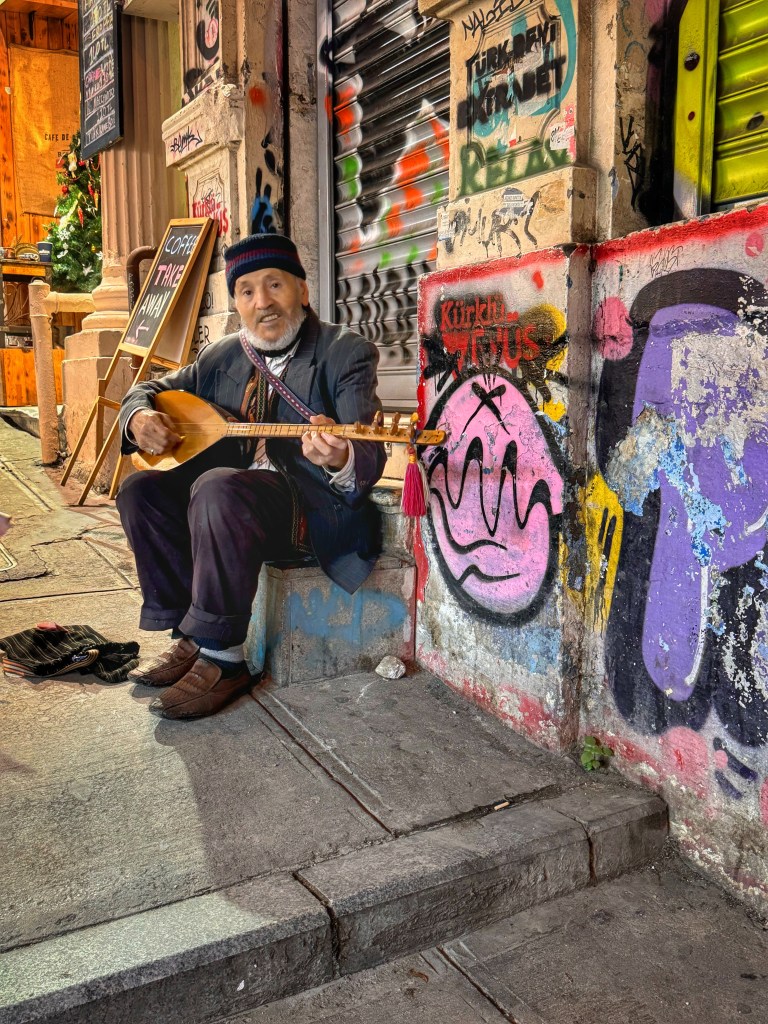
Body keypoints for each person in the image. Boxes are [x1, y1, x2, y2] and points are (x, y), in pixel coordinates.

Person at [116, 233, 386, 720]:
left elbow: (367, 450)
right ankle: (189, 634)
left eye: (274, 284)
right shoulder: (221, 355)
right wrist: (137, 418)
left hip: (304, 509)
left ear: (302, 290)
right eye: (246, 291)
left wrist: (338, 457)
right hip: (226, 504)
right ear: (237, 302)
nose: (262, 302)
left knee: (217, 486)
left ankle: (224, 659)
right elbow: (148, 388)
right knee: (141, 489)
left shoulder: (345, 352)